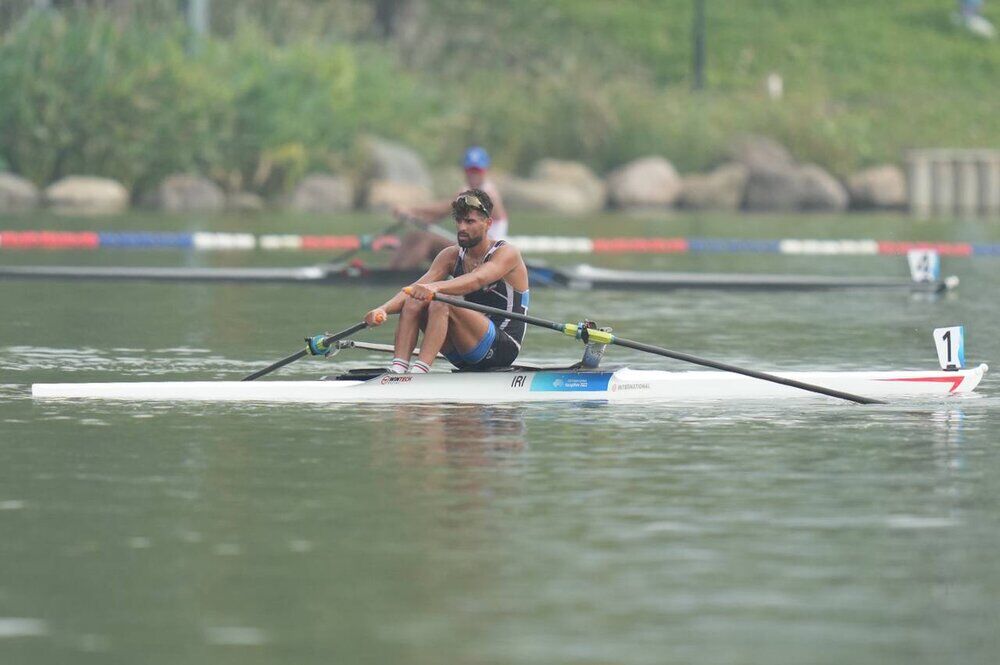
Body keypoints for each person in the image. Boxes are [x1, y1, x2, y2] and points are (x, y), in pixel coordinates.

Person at [365, 189, 529, 374]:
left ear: (487, 223)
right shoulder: (450, 255)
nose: (461, 228)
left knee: (442, 301)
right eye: (459, 221)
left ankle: (419, 373)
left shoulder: (506, 253)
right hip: (464, 350)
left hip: (501, 348)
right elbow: (414, 289)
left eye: (469, 221)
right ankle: (398, 370)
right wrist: (383, 309)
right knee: (414, 298)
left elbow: (477, 279)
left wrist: (432, 289)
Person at [389, 146, 510, 268]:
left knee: (426, 239)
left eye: (477, 171)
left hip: (486, 256)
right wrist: (414, 218)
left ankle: (399, 276)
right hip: (470, 248)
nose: (473, 175)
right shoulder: (466, 190)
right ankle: (392, 271)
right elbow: (440, 214)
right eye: (470, 171)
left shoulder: (488, 194)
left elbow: (446, 207)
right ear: (464, 170)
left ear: (485, 171)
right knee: (413, 236)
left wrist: (411, 209)